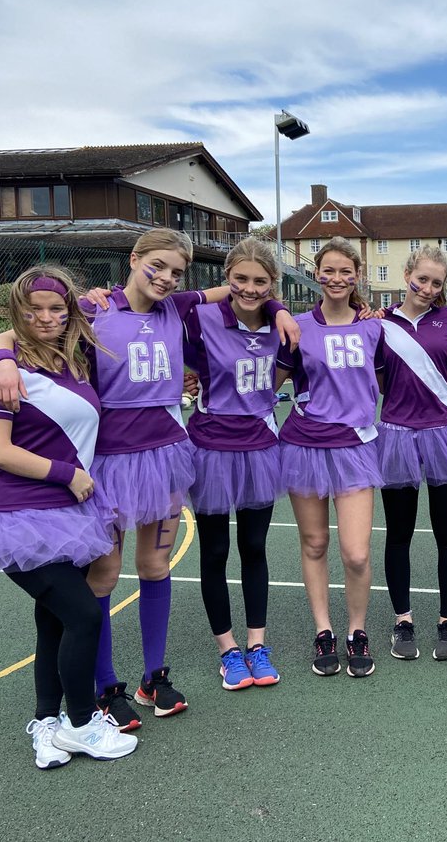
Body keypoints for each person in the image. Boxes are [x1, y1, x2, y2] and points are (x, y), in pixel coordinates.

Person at [0, 229, 298, 727]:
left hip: (167, 456)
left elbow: (246, 289)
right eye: (158, 266)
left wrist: (280, 309)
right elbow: (16, 332)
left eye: (177, 271)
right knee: (105, 574)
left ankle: (155, 676)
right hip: (110, 461)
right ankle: (107, 687)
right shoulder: (94, 309)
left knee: (155, 566)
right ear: (134, 259)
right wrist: (1, 357)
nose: (167, 278)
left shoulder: (178, 306)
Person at [0, 266, 136, 767]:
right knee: (83, 615)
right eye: (33, 310)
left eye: (56, 309)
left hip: (68, 514)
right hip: (19, 517)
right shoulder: (5, 370)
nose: (45, 318)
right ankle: (82, 724)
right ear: (16, 312)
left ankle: (47, 724)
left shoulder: (73, 361)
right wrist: (67, 474)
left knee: (54, 620)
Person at [184, 237, 293, 690]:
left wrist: (278, 309)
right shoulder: (201, 318)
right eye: (241, 279)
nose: (250, 288)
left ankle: (256, 645)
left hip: (260, 448)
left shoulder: (283, 327)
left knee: (254, 546)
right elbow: (160, 312)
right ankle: (227, 649)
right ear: (226, 277)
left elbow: (281, 377)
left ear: (273, 283)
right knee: (214, 551)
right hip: (210, 447)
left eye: (261, 281)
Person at [276, 237, 385, 678]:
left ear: (357, 276)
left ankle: (358, 629)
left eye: (345, 271)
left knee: (356, 553)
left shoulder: (374, 328)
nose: (336, 278)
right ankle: (323, 630)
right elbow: (265, 382)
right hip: (304, 444)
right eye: (329, 271)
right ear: (317, 274)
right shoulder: (297, 327)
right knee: (315, 543)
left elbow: (391, 382)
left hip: (355, 447)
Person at [377, 246, 447, 661]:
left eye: (437, 283)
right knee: (398, 535)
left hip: (446, 434)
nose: (428, 288)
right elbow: (377, 380)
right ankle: (402, 621)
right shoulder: (378, 323)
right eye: (422, 279)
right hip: (397, 435)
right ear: (407, 275)